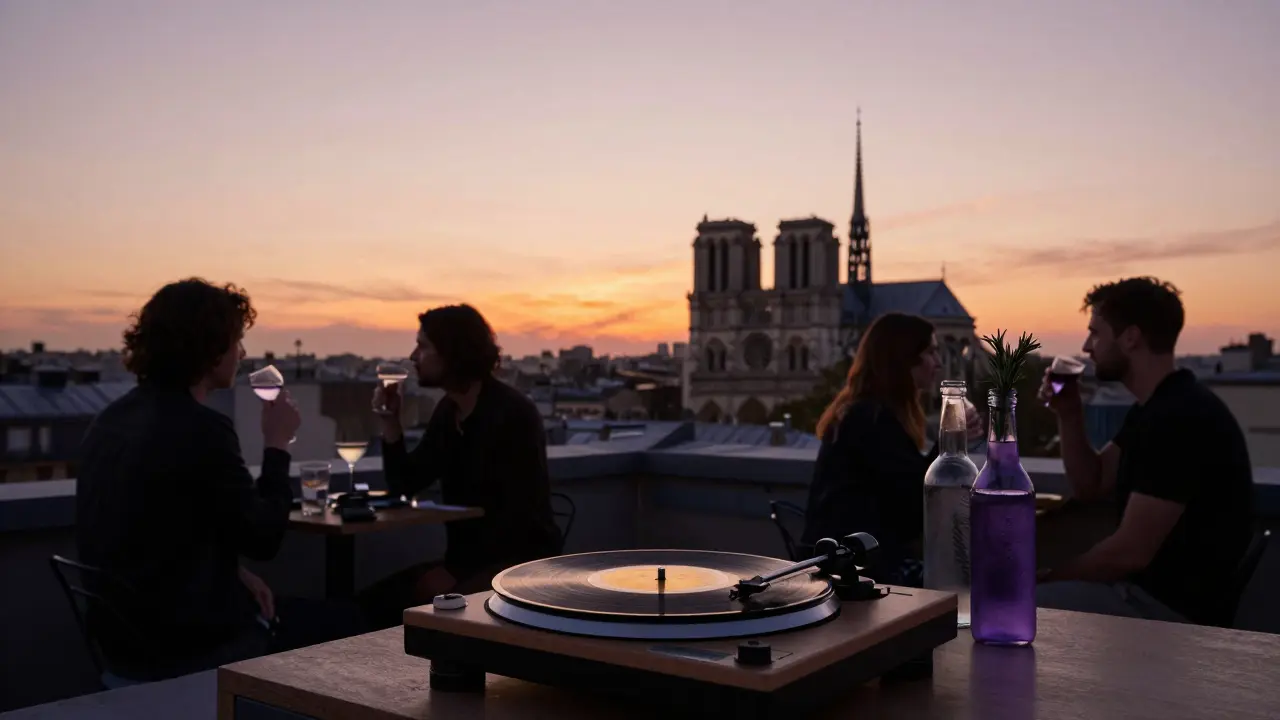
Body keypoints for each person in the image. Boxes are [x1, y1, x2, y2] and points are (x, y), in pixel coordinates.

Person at [75, 278, 363, 681]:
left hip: (123, 646)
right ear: (210, 349)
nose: (242, 353)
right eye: (236, 341)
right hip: (191, 647)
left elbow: (157, 530)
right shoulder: (202, 428)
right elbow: (263, 539)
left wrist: (232, 573)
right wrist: (277, 444)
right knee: (358, 627)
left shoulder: (110, 420)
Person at [1036, 277, 1254, 626]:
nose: (1087, 346)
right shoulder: (1157, 407)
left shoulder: (1179, 419)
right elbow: (1090, 484)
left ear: (1131, 337)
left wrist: (1046, 577)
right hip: (1145, 597)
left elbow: (1127, 554)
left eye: (1095, 333)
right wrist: (1069, 413)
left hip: (1161, 612)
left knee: (1007, 607)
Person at [359, 304, 562, 629]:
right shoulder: (449, 412)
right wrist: (390, 423)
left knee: (413, 612)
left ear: (452, 351)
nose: (413, 356)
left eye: (423, 346)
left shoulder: (511, 415)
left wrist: (456, 573)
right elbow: (405, 483)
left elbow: (518, 518)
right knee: (370, 604)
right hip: (468, 563)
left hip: (517, 566)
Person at [800, 312, 982, 584]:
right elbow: (914, 508)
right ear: (904, 359)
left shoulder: (864, 412)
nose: (938, 362)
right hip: (861, 571)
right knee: (978, 579)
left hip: (850, 562)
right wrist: (951, 441)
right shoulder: (871, 420)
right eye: (930, 352)